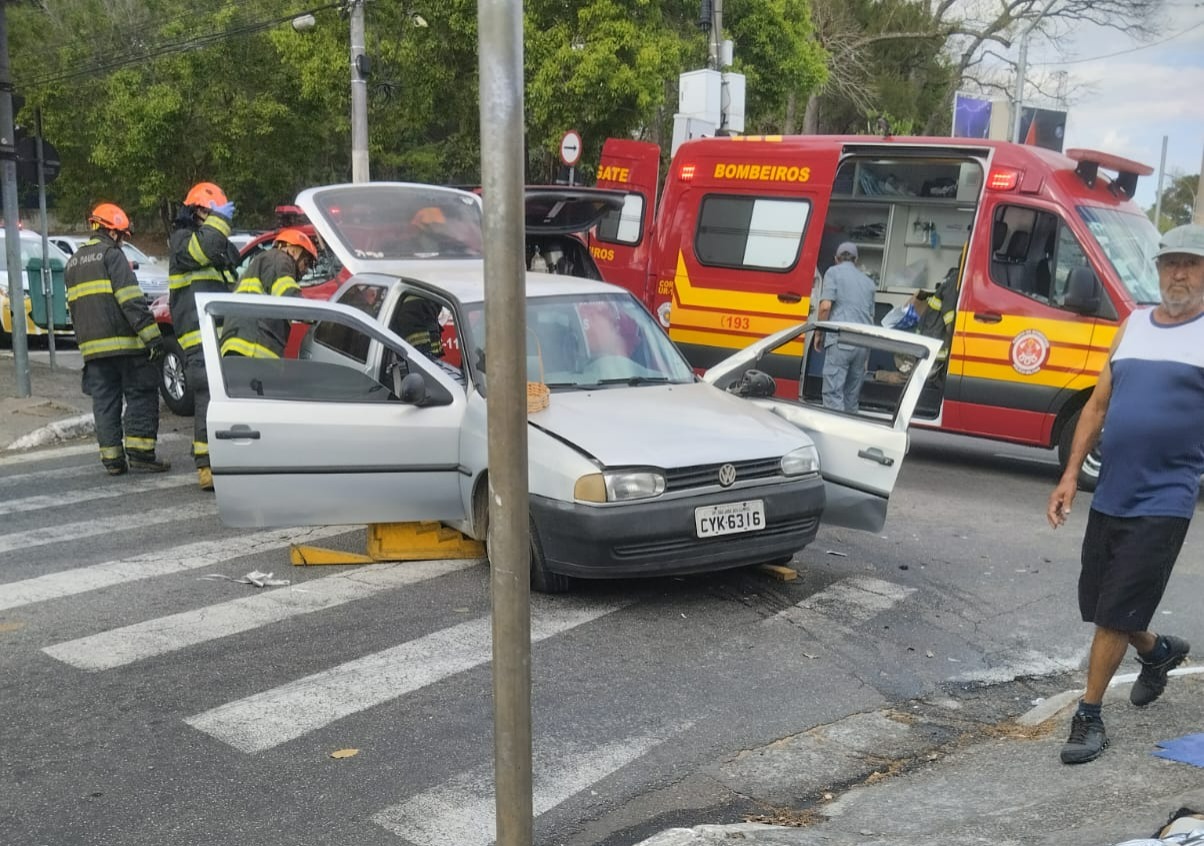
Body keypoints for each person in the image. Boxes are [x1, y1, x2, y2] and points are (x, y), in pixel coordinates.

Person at [1046, 222, 1204, 765]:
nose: (1178, 273)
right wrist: (1070, 475)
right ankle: (1158, 653)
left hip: (1168, 497)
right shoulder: (1133, 325)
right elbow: (1096, 406)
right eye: (1169, 263)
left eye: (1190, 263)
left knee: (1113, 612)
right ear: (1157, 270)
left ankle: (1088, 718)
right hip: (1112, 491)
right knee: (1102, 602)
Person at [64, 203, 170, 475]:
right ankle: (141, 454)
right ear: (111, 232)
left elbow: (73, 308)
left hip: (93, 349)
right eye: (121, 235)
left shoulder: (72, 263)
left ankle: (112, 460)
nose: (122, 240)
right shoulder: (112, 256)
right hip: (125, 343)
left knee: (104, 401)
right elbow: (131, 301)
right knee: (142, 392)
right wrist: (153, 339)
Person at [168, 181, 239, 491]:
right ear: (198, 212)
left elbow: (231, 258)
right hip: (197, 334)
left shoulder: (211, 241)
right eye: (213, 214)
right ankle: (205, 465)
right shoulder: (182, 241)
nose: (218, 220)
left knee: (220, 398)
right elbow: (207, 247)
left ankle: (222, 460)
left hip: (217, 335)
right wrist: (219, 222)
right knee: (207, 396)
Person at [219, 229, 317, 358]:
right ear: (293, 250)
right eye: (306, 262)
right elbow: (288, 295)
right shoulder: (279, 258)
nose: (305, 270)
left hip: (238, 345)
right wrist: (315, 314)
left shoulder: (262, 262)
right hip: (253, 348)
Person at [814, 241, 877, 411]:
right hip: (862, 346)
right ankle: (849, 433)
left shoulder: (833, 273)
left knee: (833, 394)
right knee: (851, 397)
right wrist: (866, 356)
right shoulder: (869, 283)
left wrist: (819, 334)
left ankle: (833, 433)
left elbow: (825, 306)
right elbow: (870, 319)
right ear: (856, 260)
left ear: (836, 259)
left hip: (841, 341)